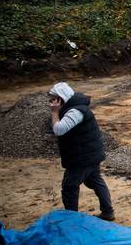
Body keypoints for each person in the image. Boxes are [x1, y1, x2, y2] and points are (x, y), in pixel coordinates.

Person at [48, 82, 115, 221]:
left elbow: (59, 130)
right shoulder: (75, 107)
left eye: (53, 98)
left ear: (60, 98)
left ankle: (72, 219)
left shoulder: (75, 111)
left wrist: (54, 112)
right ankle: (108, 212)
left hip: (82, 157)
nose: (51, 101)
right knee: (95, 181)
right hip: (89, 153)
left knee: (69, 186)